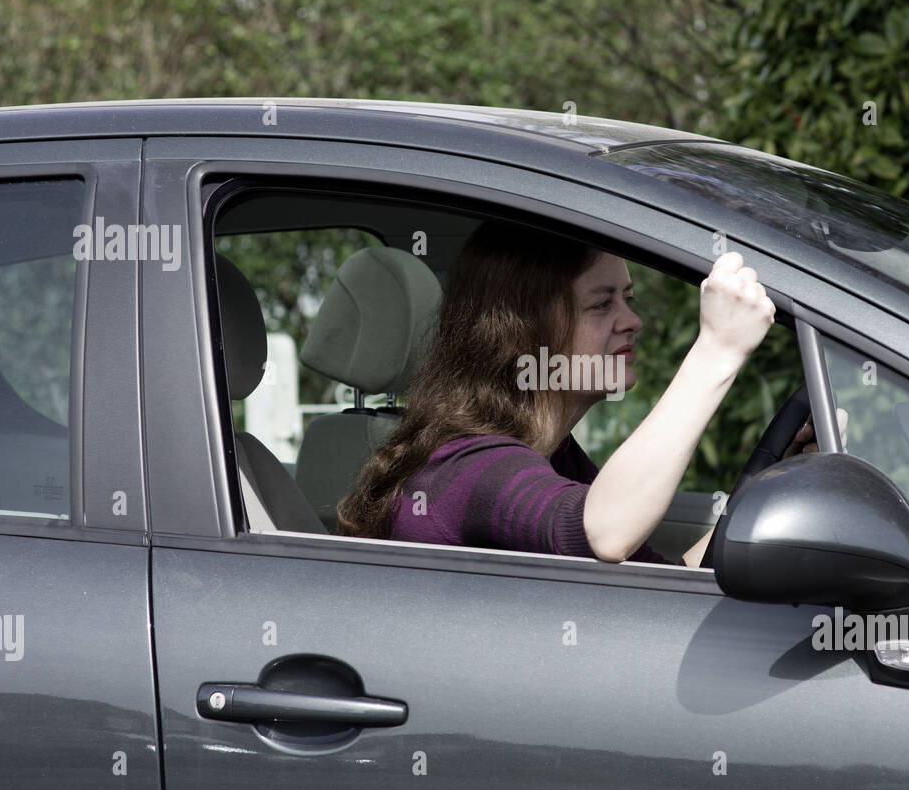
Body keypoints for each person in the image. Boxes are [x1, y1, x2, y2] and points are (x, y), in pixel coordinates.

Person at [335, 219, 827, 566]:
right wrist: (717, 350)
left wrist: (774, 482)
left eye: (628, 299)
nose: (631, 321)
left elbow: (664, 580)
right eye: (601, 304)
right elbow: (603, 533)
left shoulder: (555, 456)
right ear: (524, 330)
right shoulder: (467, 468)